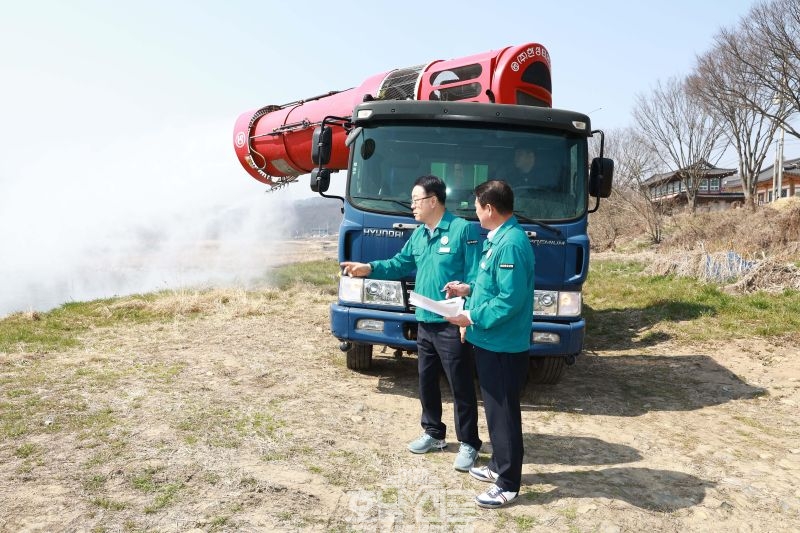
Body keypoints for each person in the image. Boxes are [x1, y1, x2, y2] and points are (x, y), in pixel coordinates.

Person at [340, 175, 483, 472]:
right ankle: (433, 433)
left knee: (460, 385)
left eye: (416, 200)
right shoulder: (419, 235)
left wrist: (467, 316)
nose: (412, 206)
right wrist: (369, 268)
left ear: (433, 201)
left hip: (451, 322)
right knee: (426, 381)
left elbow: (476, 277)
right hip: (424, 321)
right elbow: (399, 264)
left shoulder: (462, 231)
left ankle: (469, 443)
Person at [445, 179, 535, 509]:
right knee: (496, 410)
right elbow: (493, 288)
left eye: (477, 207)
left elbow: (509, 300)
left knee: (504, 413)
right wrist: (466, 291)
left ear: (490, 209)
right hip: (491, 341)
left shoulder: (510, 243)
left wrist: (470, 317)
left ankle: (508, 483)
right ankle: (498, 466)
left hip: (503, 345)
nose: (475, 213)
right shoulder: (498, 239)